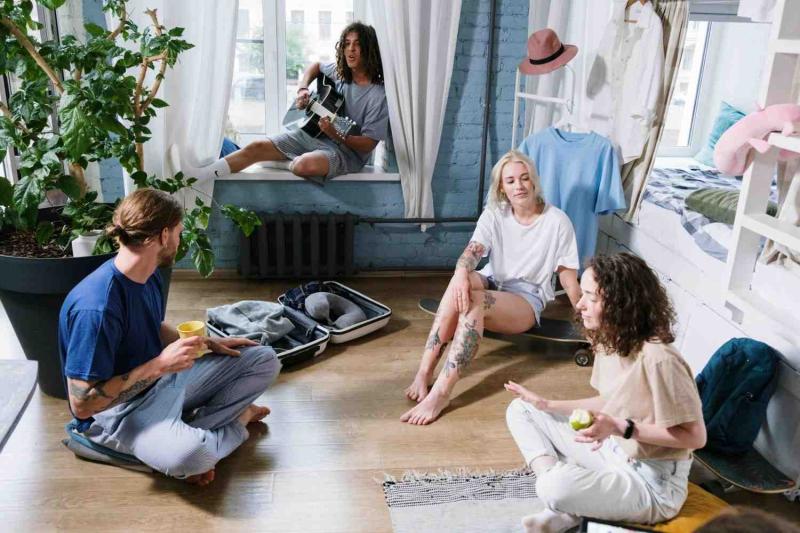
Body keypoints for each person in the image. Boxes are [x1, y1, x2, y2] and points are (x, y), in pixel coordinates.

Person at [59, 189, 281, 486]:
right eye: (179, 231)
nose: (180, 239)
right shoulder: (96, 308)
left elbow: (152, 324)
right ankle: (231, 425)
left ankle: (174, 440)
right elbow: (82, 405)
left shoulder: (146, 272)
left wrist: (209, 343)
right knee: (195, 456)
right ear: (164, 235)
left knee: (264, 359)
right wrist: (160, 364)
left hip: (159, 381)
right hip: (117, 414)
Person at [504, 252, 707, 532]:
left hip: (652, 482)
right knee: (522, 410)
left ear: (621, 304)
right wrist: (547, 405)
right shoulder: (609, 339)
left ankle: (567, 504)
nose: (580, 305)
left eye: (591, 298)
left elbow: (695, 437)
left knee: (552, 486)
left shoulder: (660, 359)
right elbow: (611, 401)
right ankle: (571, 505)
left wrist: (620, 427)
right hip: (612, 450)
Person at [402, 150, 582, 426]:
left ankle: (441, 393)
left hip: (526, 297)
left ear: (534, 181)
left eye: (524, 178)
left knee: (476, 301)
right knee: (459, 281)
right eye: (510, 181)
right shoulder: (496, 213)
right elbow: (473, 251)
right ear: (501, 188)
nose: (519, 186)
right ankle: (424, 373)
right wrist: (461, 273)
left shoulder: (557, 221)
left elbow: (569, 279)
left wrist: (587, 317)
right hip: (493, 279)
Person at [172, 22, 388, 184]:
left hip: (345, 153)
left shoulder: (378, 95)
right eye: (347, 44)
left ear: (369, 50)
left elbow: (368, 144)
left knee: (303, 165)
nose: (350, 50)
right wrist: (303, 89)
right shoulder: (340, 73)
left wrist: (336, 134)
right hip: (314, 135)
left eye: (357, 45)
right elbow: (315, 67)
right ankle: (195, 178)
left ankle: (282, 161)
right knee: (255, 147)